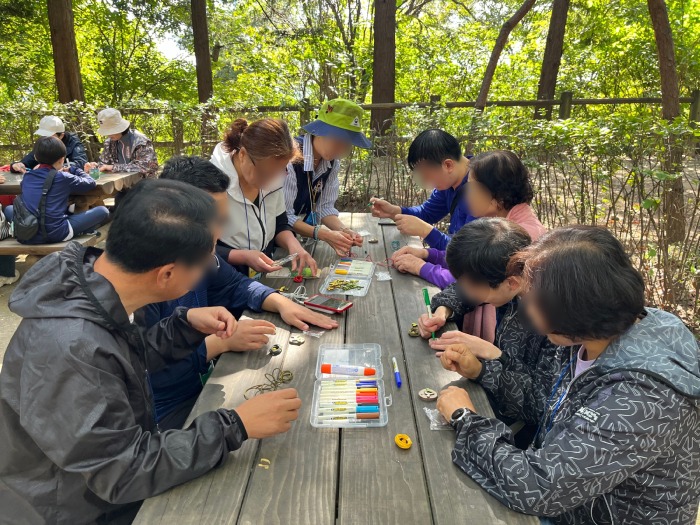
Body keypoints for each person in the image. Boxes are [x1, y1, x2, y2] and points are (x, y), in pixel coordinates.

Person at [0, 179, 302, 524]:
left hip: (92, 487)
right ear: (168, 274)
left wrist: (182, 326)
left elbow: (119, 359)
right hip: (71, 510)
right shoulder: (70, 348)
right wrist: (236, 425)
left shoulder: (95, 285)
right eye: (207, 263)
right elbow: (120, 472)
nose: (209, 270)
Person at [436, 226, 700, 524]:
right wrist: (484, 369)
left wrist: (464, 419)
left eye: (529, 298)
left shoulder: (642, 398)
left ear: (567, 312)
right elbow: (542, 402)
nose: (523, 303)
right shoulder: (592, 333)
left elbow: (538, 487)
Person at [142, 155, 339, 430]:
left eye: (222, 221)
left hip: (201, 385)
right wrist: (221, 343)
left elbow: (235, 284)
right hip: (163, 415)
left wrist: (280, 302)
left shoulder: (197, 253)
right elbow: (148, 368)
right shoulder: (143, 280)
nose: (218, 236)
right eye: (213, 222)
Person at [417, 218, 559, 447]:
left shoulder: (557, 324)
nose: (467, 290)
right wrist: (443, 311)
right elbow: (464, 289)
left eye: (474, 287)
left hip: (518, 436)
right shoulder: (510, 275)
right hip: (496, 402)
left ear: (511, 283)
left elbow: (539, 405)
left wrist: (490, 356)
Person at [392, 149, 545, 289]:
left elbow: (473, 287)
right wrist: (428, 255)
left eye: (471, 187)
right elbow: (469, 262)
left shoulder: (518, 237)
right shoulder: (500, 221)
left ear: (497, 195)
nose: (465, 195)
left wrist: (421, 267)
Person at [211, 118, 316, 279]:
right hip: (223, 276)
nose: (269, 182)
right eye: (264, 173)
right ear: (243, 154)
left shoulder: (274, 176)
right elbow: (198, 248)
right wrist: (243, 256)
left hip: (262, 275)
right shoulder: (212, 185)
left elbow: (280, 224)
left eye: (279, 172)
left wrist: (294, 245)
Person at [284, 98, 371, 256]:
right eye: (337, 141)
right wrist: (323, 234)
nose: (341, 149)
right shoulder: (291, 158)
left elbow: (325, 208)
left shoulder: (332, 164)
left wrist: (343, 231)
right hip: (278, 239)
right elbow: (285, 216)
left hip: (303, 242)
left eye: (347, 144)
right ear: (320, 131)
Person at [370, 129, 475, 250]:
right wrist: (394, 211)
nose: (427, 181)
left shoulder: (481, 189)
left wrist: (426, 231)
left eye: (427, 175)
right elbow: (428, 212)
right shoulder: (450, 182)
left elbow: (466, 252)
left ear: (448, 165)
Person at [3, 136, 109, 244]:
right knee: (103, 211)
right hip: (57, 234)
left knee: (9, 209)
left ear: (36, 157)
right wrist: (74, 169)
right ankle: (84, 231)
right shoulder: (63, 177)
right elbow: (91, 183)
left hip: (27, 234)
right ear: (62, 159)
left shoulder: (27, 177)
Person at [85, 108, 158, 178]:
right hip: (119, 186)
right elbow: (104, 164)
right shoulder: (109, 142)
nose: (109, 135)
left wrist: (113, 167)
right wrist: (94, 167)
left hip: (144, 186)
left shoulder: (141, 141)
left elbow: (146, 166)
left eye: (111, 131)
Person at [10, 115, 89, 173]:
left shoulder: (73, 143)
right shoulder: (43, 143)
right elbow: (27, 161)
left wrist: (49, 167)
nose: (46, 139)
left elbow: (81, 162)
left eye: (50, 136)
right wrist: (16, 166)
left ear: (61, 135)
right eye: (43, 135)